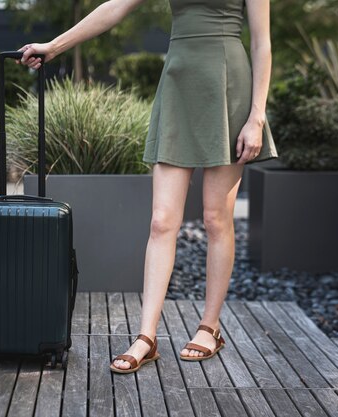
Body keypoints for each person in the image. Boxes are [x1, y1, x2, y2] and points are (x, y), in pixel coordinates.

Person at [15, 0, 279, 373]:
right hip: (178, 86)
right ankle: (146, 336)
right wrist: (54, 47)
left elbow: (261, 43)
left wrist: (256, 115)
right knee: (161, 221)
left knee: (215, 219)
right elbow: (115, 7)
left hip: (228, 88)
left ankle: (210, 327)